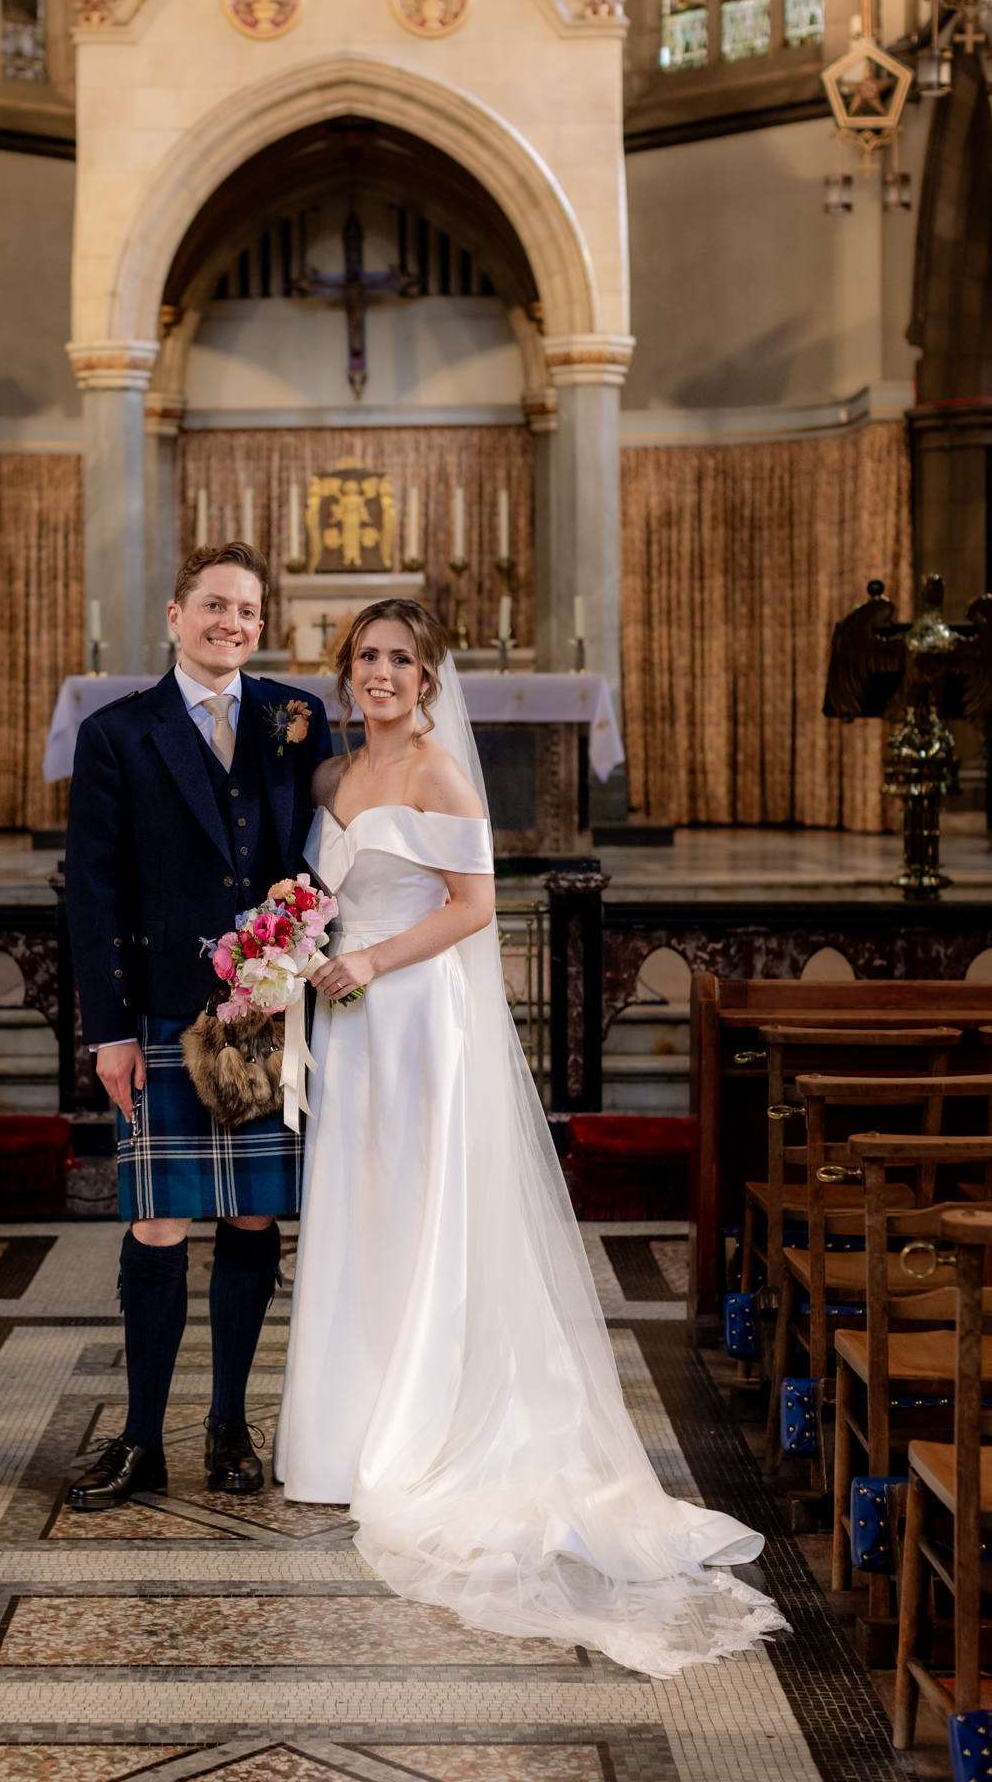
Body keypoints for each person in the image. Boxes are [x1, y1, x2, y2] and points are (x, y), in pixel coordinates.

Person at [274, 598, 787, 1677]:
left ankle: (420, 1424)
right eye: (366, 657)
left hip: (412, 1019)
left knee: (419, 1214)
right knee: (359, 1216)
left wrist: (370, 961)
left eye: (400, 660)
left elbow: (472, 905)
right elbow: (323, 891)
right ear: (346, 669)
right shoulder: (331, 777)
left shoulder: (438, 774)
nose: (380, 674)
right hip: (347, 1024)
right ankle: (346, 1428)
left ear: (428, 678)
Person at [64, 543, 332, 1508]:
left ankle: (227, 1427)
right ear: (175, 615)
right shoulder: (117, 734)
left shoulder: (292, 720)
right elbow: (91, 893)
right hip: (162, 1010)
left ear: (263, 626)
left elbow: (326, 846)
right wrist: (109, 1031)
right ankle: (141, 1439)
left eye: (248, 611)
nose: (231, 623)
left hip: (263, 1008)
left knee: (253, 1214)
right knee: (158, 1218)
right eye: (213, 605)